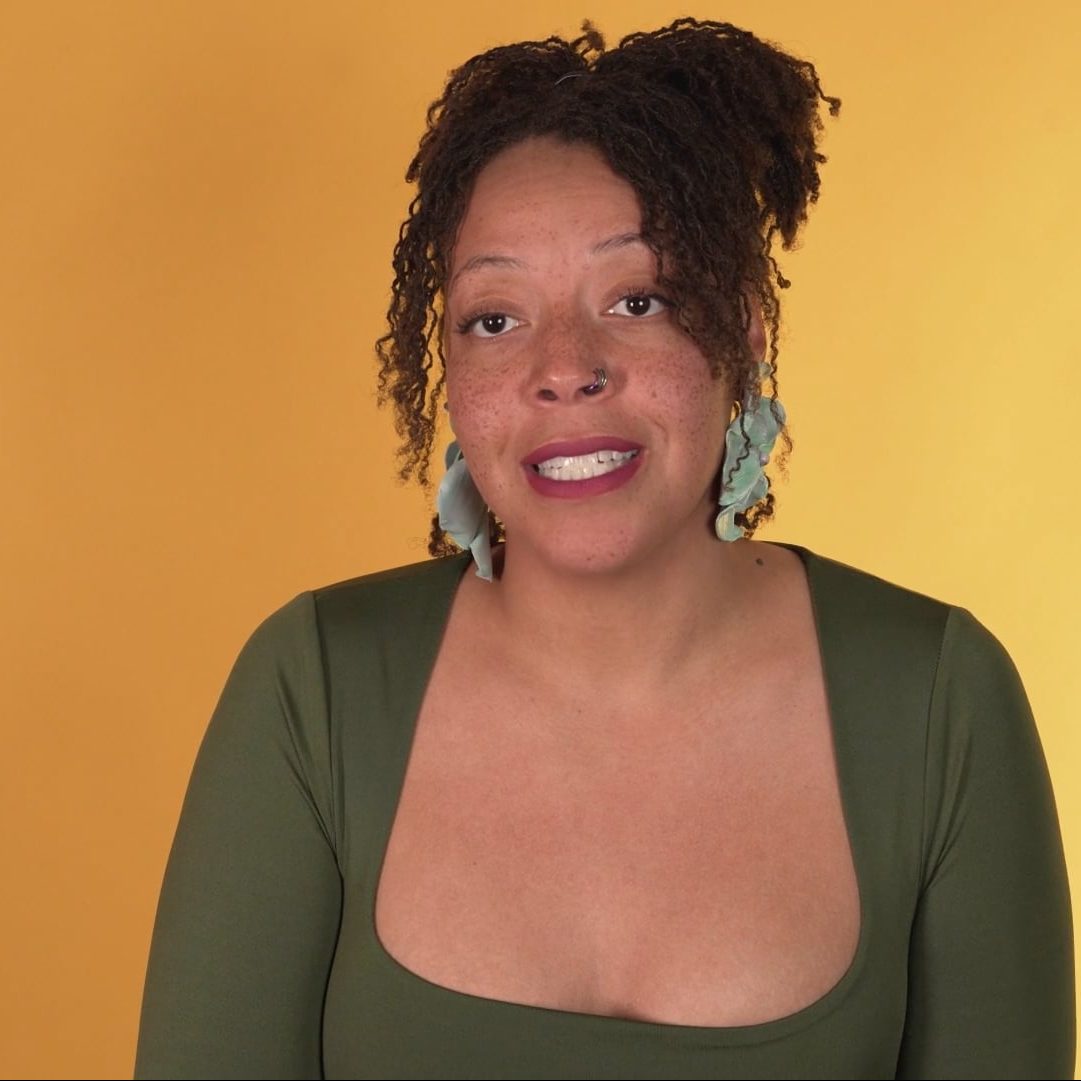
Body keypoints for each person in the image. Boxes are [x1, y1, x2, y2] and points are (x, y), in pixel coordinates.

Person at [134, 18, 1075, 1080]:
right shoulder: (311, 689)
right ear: (448, 367)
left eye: (637, 300)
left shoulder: (940, 704)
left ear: (745, 331)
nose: (564, 367)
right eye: (496, 319)